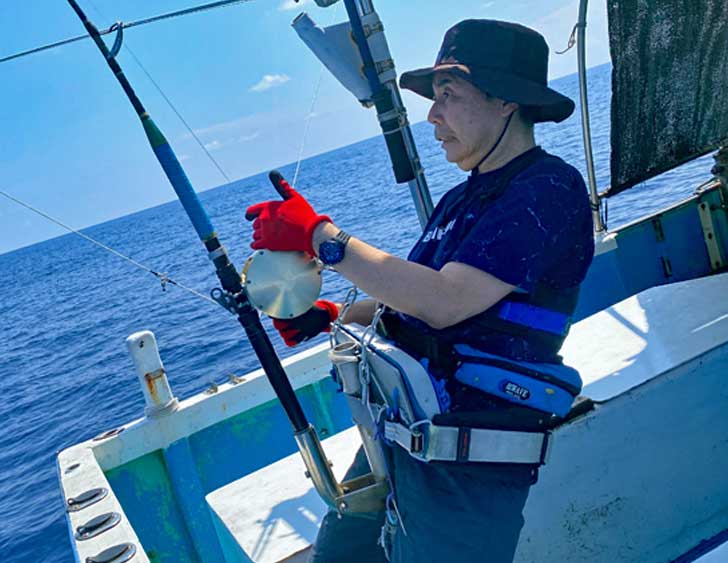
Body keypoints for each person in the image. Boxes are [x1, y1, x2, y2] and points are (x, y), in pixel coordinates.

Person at [245, 19, 594, 563]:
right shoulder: (458, 200)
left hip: (469, 453)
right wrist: (332, 314)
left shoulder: (547, 188)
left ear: (506, 101)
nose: (431, 114)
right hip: (405, 426)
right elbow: (411, 300)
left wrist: (319, 235)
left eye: (448, 95)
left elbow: (445, 301)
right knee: (341, 554)